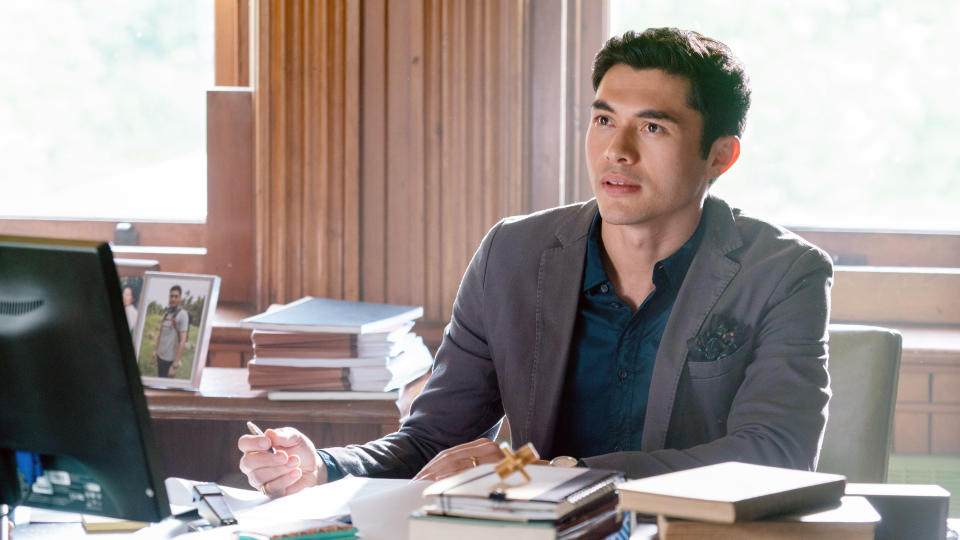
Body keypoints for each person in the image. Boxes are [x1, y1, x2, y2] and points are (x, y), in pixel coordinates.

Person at [239, 27, 833, 498]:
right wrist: (320, 466)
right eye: (604, 120)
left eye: (652, 127)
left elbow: (773, 455)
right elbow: (436, 440)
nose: (616, 151)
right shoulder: (513, 254)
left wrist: (544, 472)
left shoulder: (783, 274)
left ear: (720, 156)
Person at [152, 285, 189, 378]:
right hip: (160, 357)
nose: (173, 299)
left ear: (180, 298)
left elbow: (183, 340)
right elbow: (160, 334)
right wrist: (155, 351)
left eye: (176, 296)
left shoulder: (183, 314)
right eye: (171, 296)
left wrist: (174, 364)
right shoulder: (166, 314)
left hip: (170, 360)